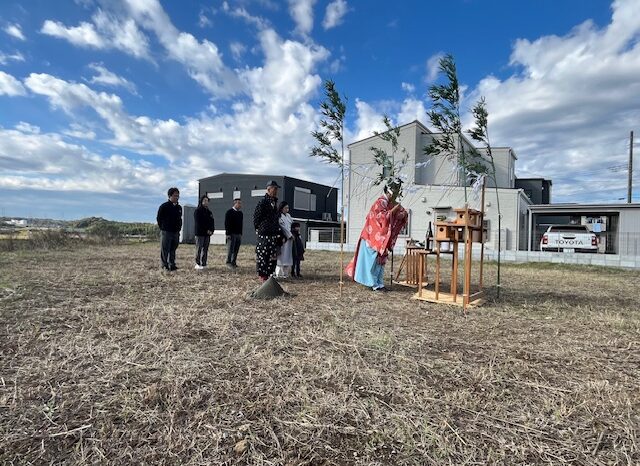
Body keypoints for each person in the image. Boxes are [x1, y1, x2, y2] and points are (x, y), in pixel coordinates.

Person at [345, 187, 408, 291]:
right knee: (373, 262)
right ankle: (373, 284)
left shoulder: (389, 204)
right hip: (372, 237)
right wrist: (394, 210)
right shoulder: (379, 203)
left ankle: (380, 283)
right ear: (389, 193)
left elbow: (396, 215)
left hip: (382, 238)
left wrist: (403, 213)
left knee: (381, 261)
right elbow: (383, 217)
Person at [253, 180, 282, 282]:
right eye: (274, 189)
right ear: (269, 189)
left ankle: (270, 274)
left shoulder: (275, 202)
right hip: (264, 233)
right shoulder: (263, 202)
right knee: (263, 254)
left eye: (277, 189)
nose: (276, 191)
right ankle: (263, 275)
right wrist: (259, 228)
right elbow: (256, 218)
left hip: (273, 233)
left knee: (272, 255)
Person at [156, 187, 182, 271]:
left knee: (173, 249)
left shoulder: (179, 208)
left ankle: (172, 264)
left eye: (178, 196)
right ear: (169, 196)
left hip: (176, 232)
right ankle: (164, 265)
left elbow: (179, 219)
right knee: (165, 249)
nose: (176, 197)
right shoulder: (164, 206)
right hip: (166, 231)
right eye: (175, 196)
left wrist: (179, 228)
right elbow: (159, 218)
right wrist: (163, 228)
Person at [194, 195, 215, 270]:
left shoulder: (209, 212)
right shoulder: (198, 211)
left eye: (207, 201)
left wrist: (212, 230)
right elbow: (199, 223)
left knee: (205, 249)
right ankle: (197, 263)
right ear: (201, 201)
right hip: (200, 233)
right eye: (205, 200)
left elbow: (212, 222)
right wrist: (206, 230)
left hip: (207, 234)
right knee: (199, 248)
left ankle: (204, 263)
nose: (206, 202)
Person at [275, 201, 294, 278]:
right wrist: (289, 235)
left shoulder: (288, 216)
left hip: (289, 239)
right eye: (285, 208)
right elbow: (283, 227)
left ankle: (285, 273)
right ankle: (278, 273)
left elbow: (292, 225)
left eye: (288, 208)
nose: (287, 209)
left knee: (287, 256)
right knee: (281, 256)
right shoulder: (279, 216)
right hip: (282, 238)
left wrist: (293, 234)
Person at [224, 198, 243, 269]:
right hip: (231, 234)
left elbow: (241, 224)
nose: (240, 205)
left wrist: (241, 233)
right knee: (230, 249)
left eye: (241, 203)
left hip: (238, 234)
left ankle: (233, 262)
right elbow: (227, 224)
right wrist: (228, 234)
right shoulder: (229, 212)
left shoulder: (240, 213)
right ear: (235, 203)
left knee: (236, 249)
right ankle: (228, 262)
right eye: (239, 203)